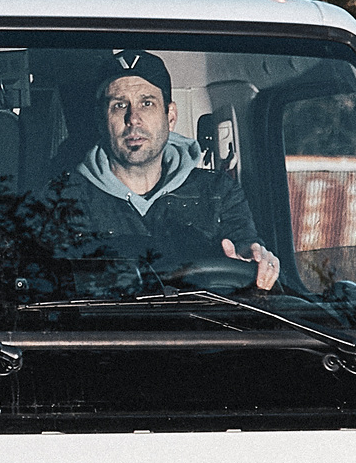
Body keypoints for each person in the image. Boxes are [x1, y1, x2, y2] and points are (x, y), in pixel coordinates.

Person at [74, 50, 281, 291]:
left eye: (147, 103)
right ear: (102, 120)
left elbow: (246, 249)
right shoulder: (65, 199)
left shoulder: (219, 192)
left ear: (170, 116)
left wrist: (257, 263)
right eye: (119, 105)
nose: (133, 118)